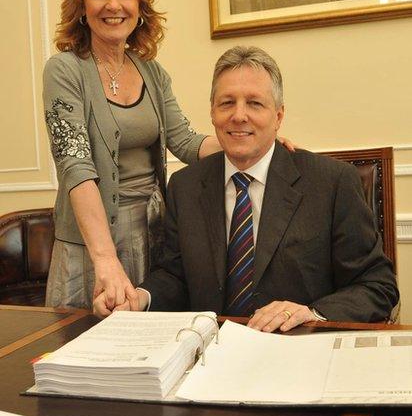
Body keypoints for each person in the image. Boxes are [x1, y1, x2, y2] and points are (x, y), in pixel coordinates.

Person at [93, 45, 399, 331]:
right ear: (212, 112)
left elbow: (377, 285)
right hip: (208, 360)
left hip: (296, 353)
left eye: (254, 103)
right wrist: (139, 299)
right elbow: (175, 277)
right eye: (227, 103)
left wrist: (311, 312)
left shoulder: (332, 183)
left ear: (278, 116)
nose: (239, 115)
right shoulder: (185, 186)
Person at [42, 0, 227, 310]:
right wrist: (105, 260)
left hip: (151, 236)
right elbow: (75, 168)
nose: (113, 5)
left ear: (139, 5)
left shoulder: (153, 73)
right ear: (82, 7)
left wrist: (251, 142)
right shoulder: (64, 70)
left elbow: (186, 141)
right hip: (91, 244)